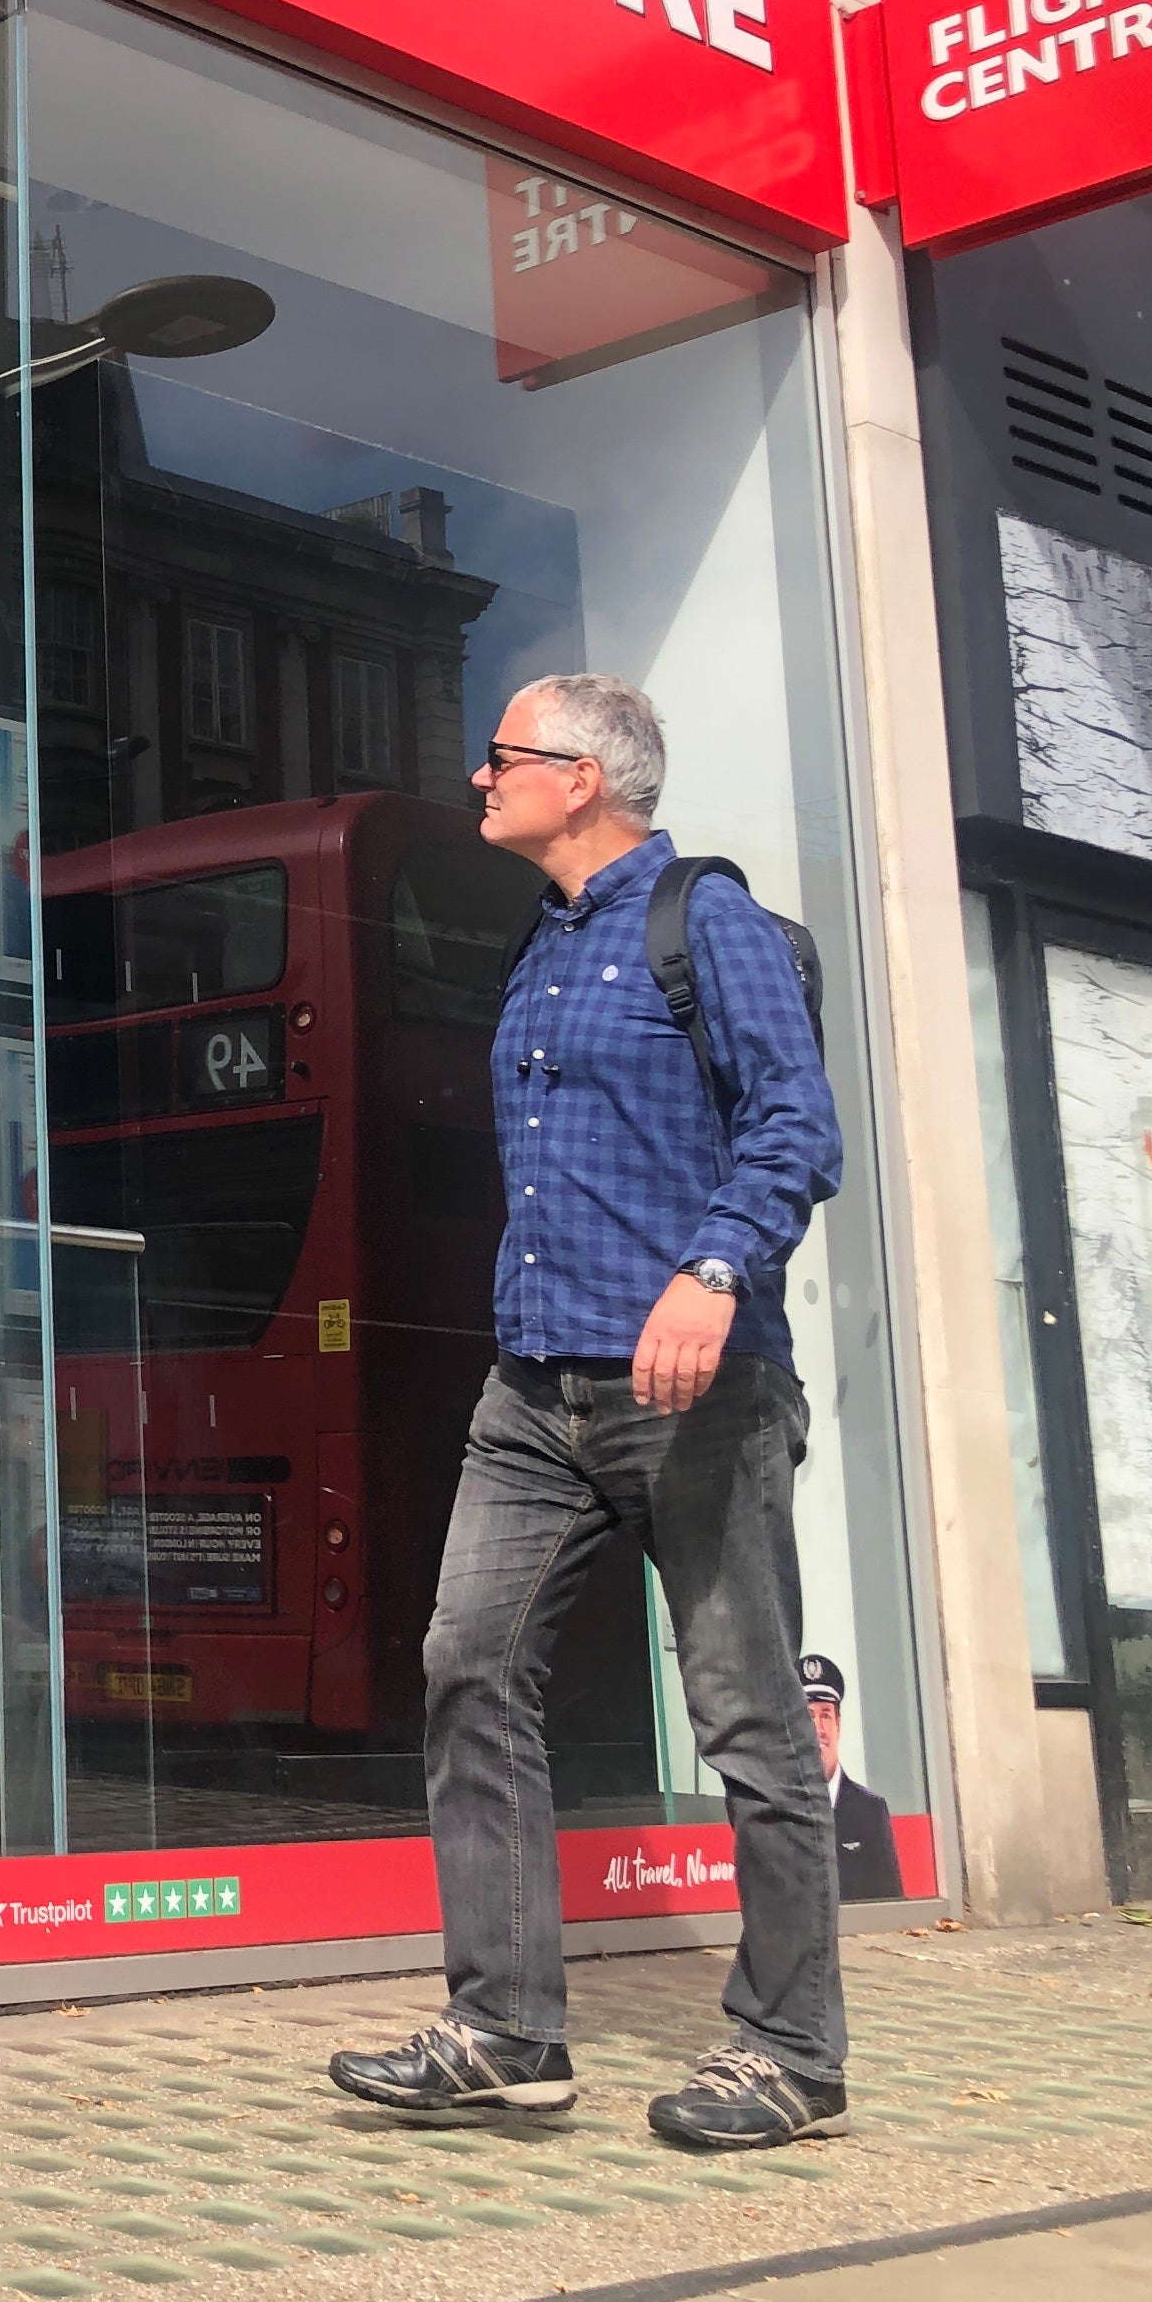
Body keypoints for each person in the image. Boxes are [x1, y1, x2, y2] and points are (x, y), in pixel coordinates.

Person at [329, 671, 849, 2152]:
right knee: (465, 1669)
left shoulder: (706, 922)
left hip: (694, 1388)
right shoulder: (539, 949)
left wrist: (713, 1267)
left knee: (748, 1717)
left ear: (585, 780)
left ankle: (795, 2054)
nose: (477, 779)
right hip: (533, 1388)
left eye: (500, 757)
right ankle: (505, 2032)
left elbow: (796, 1124)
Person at [806, 1655, 904, 1902]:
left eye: (826, 1715)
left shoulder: (871, 1809)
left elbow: (889, 1903)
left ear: (838, 1724)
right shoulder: (779, 1807)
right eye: (808, 1716)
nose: (818, 1728)